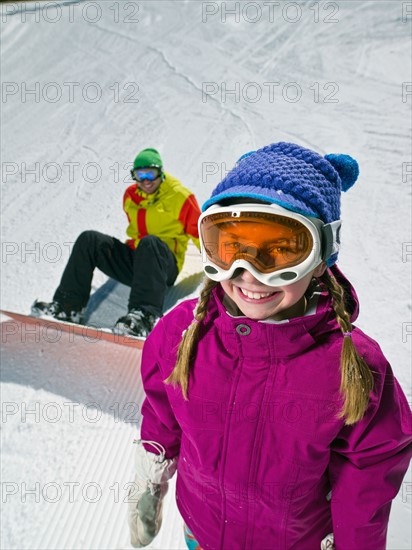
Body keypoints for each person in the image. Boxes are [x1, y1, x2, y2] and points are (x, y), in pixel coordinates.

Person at [127, 142, 412, 549]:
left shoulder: (352, 364)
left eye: (280, 251)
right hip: (201, 533)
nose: (249, 274)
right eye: (231, 247)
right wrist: (148, 480)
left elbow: (369, 467)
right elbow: (161, 411)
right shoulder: (181, 332)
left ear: (321, 256)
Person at [32, 148, 201, 337]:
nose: (146, 180)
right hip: (138, 262)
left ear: (160, 172)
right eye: (140, 174)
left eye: (150, 173)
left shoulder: (179, 197)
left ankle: (143, 316)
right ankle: (67, 307)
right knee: (89, 240)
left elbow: (201, 233)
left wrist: (221, 264)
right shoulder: (130, 196)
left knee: (150, 243)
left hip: (163, 266)